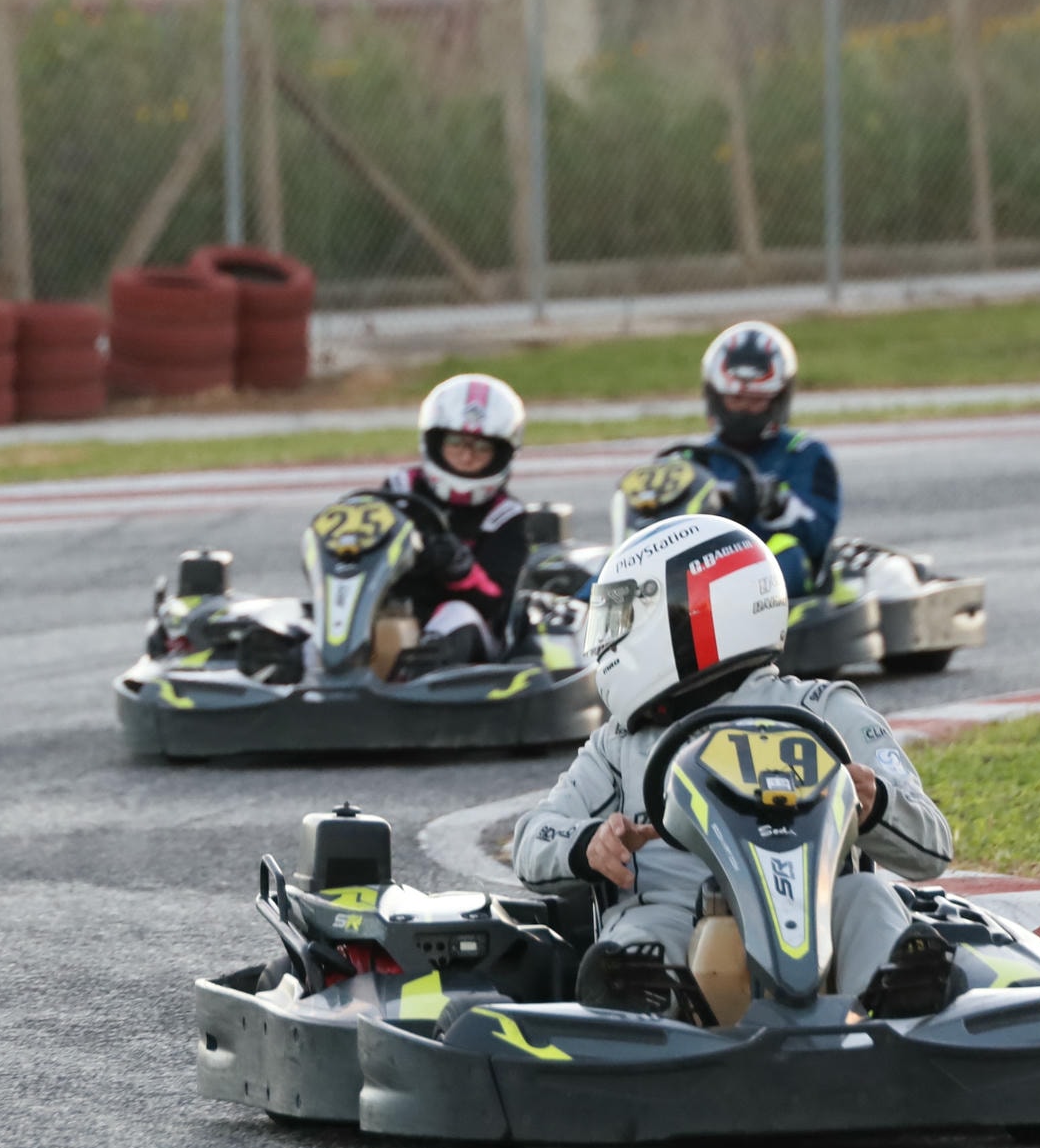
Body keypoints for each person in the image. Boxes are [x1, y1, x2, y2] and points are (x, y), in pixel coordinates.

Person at [511, 514, 958, 1019]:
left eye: (624, 618)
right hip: (676, 918)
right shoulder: (619, 746)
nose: (610, 640)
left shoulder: (823, 709)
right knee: (638, 935)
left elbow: (932, 845)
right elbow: (534, 837)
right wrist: (588, 843)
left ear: (688, 615)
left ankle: (897, 1005)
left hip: (815, 912)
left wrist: (877, 806)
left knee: (867, 896)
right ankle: (640, 1014)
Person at [378, 373, 529, 671]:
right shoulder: (399, 490)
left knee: (457, 613)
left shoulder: (505, 516)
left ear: (501, 453)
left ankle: (422, 675)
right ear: (436, 442)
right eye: (456, 442)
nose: (466, 455)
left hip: (469, 638)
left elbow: (498, 603)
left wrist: (459, 567)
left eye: (481, 447)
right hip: (395, 615)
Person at [694, 320, 840, 597]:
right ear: (716, 396)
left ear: (777, 400)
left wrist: (775, 504)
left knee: (787, 551)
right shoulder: (694, 459)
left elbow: (819, 534)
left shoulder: (804, 454)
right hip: (700, 575)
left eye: (755, 400)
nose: (743, 410)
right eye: (735, 399)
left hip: (771, 586)